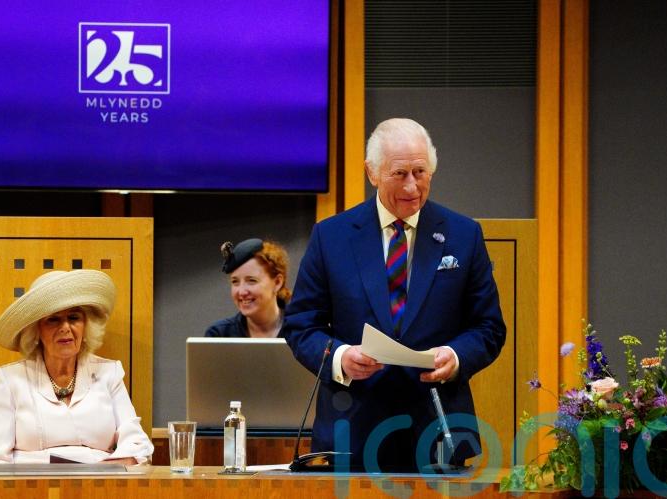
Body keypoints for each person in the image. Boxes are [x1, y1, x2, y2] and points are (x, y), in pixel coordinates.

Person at [284, 118, 506, 471]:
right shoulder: (331, 237)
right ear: (372, 173)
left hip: (437, 433)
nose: (412, 185)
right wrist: (341, 357)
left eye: (420, 172)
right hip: (352, 432)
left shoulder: (463, 235)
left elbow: (489, 327)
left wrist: (455, 356)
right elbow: (301, 326)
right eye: (399, 173)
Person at [0, 269, 153, 464]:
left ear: (86, 326)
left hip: (99, 480)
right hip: (31, 481)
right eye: (53, 319)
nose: (65, 328)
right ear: (36, 330)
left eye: (73, 318)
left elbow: (136, 443)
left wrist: (106, 471)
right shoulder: (11, 379)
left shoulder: (108, 373)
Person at [205, 238, 291, 338]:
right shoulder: (219, 335)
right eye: (235, 281)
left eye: (252, 281)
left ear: (277, 283)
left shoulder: (302, 330)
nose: (242, 292)